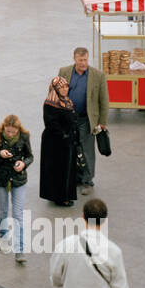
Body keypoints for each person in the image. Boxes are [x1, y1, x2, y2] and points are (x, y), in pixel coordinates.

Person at [0, 114, 34, 264]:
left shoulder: (24, 136)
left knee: (18, 214)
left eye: (13, 132)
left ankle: (20, 250)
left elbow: (30, 156)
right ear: (3, 127)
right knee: (3, 211)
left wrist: (23, 164)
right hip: (0, 178)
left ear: (18, 129)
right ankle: (4, 235)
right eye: (8, 131)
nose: (10, 134)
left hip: (18, 179)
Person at [57, 48, 107, 194]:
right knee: (70, 148)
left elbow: (104, 100)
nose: (83, 63)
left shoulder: (98, 75)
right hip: (68, 118)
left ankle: (88, 180)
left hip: (86, 119)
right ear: (74, 59)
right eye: (80, 60)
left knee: (87, 150)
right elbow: (55, 93)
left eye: (85, 60)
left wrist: (102, 121)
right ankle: (73, 177)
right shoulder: (64, 72)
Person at [39, 77, 81, 207]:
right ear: (55, 89)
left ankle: (65, 195)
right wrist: (64, 135)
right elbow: (51, 123)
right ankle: (60, 197)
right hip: (55, 143)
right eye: (61, 87)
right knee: (58, 170)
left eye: (66, 87)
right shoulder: (50, 103)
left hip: (68, 141)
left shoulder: (67, 101)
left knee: (67, 169)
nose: (64, 89)